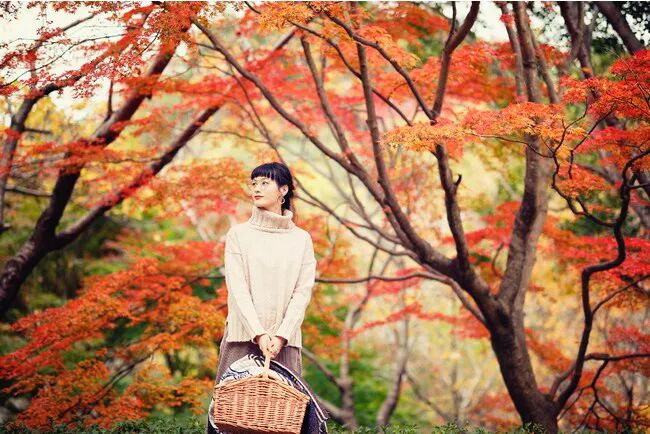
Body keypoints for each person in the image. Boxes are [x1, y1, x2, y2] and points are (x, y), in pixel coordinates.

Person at [207, 162, 318, 434]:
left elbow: (302, 292)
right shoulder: (239, 235)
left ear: (284, 190)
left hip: (285, 344)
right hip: (241, 340)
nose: (256, 188)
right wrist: (258, 333)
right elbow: (237, 289)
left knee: (283, 422)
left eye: (264, 183)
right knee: (229, 420)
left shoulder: (301, 240)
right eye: (253, 183)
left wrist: (281, 335)